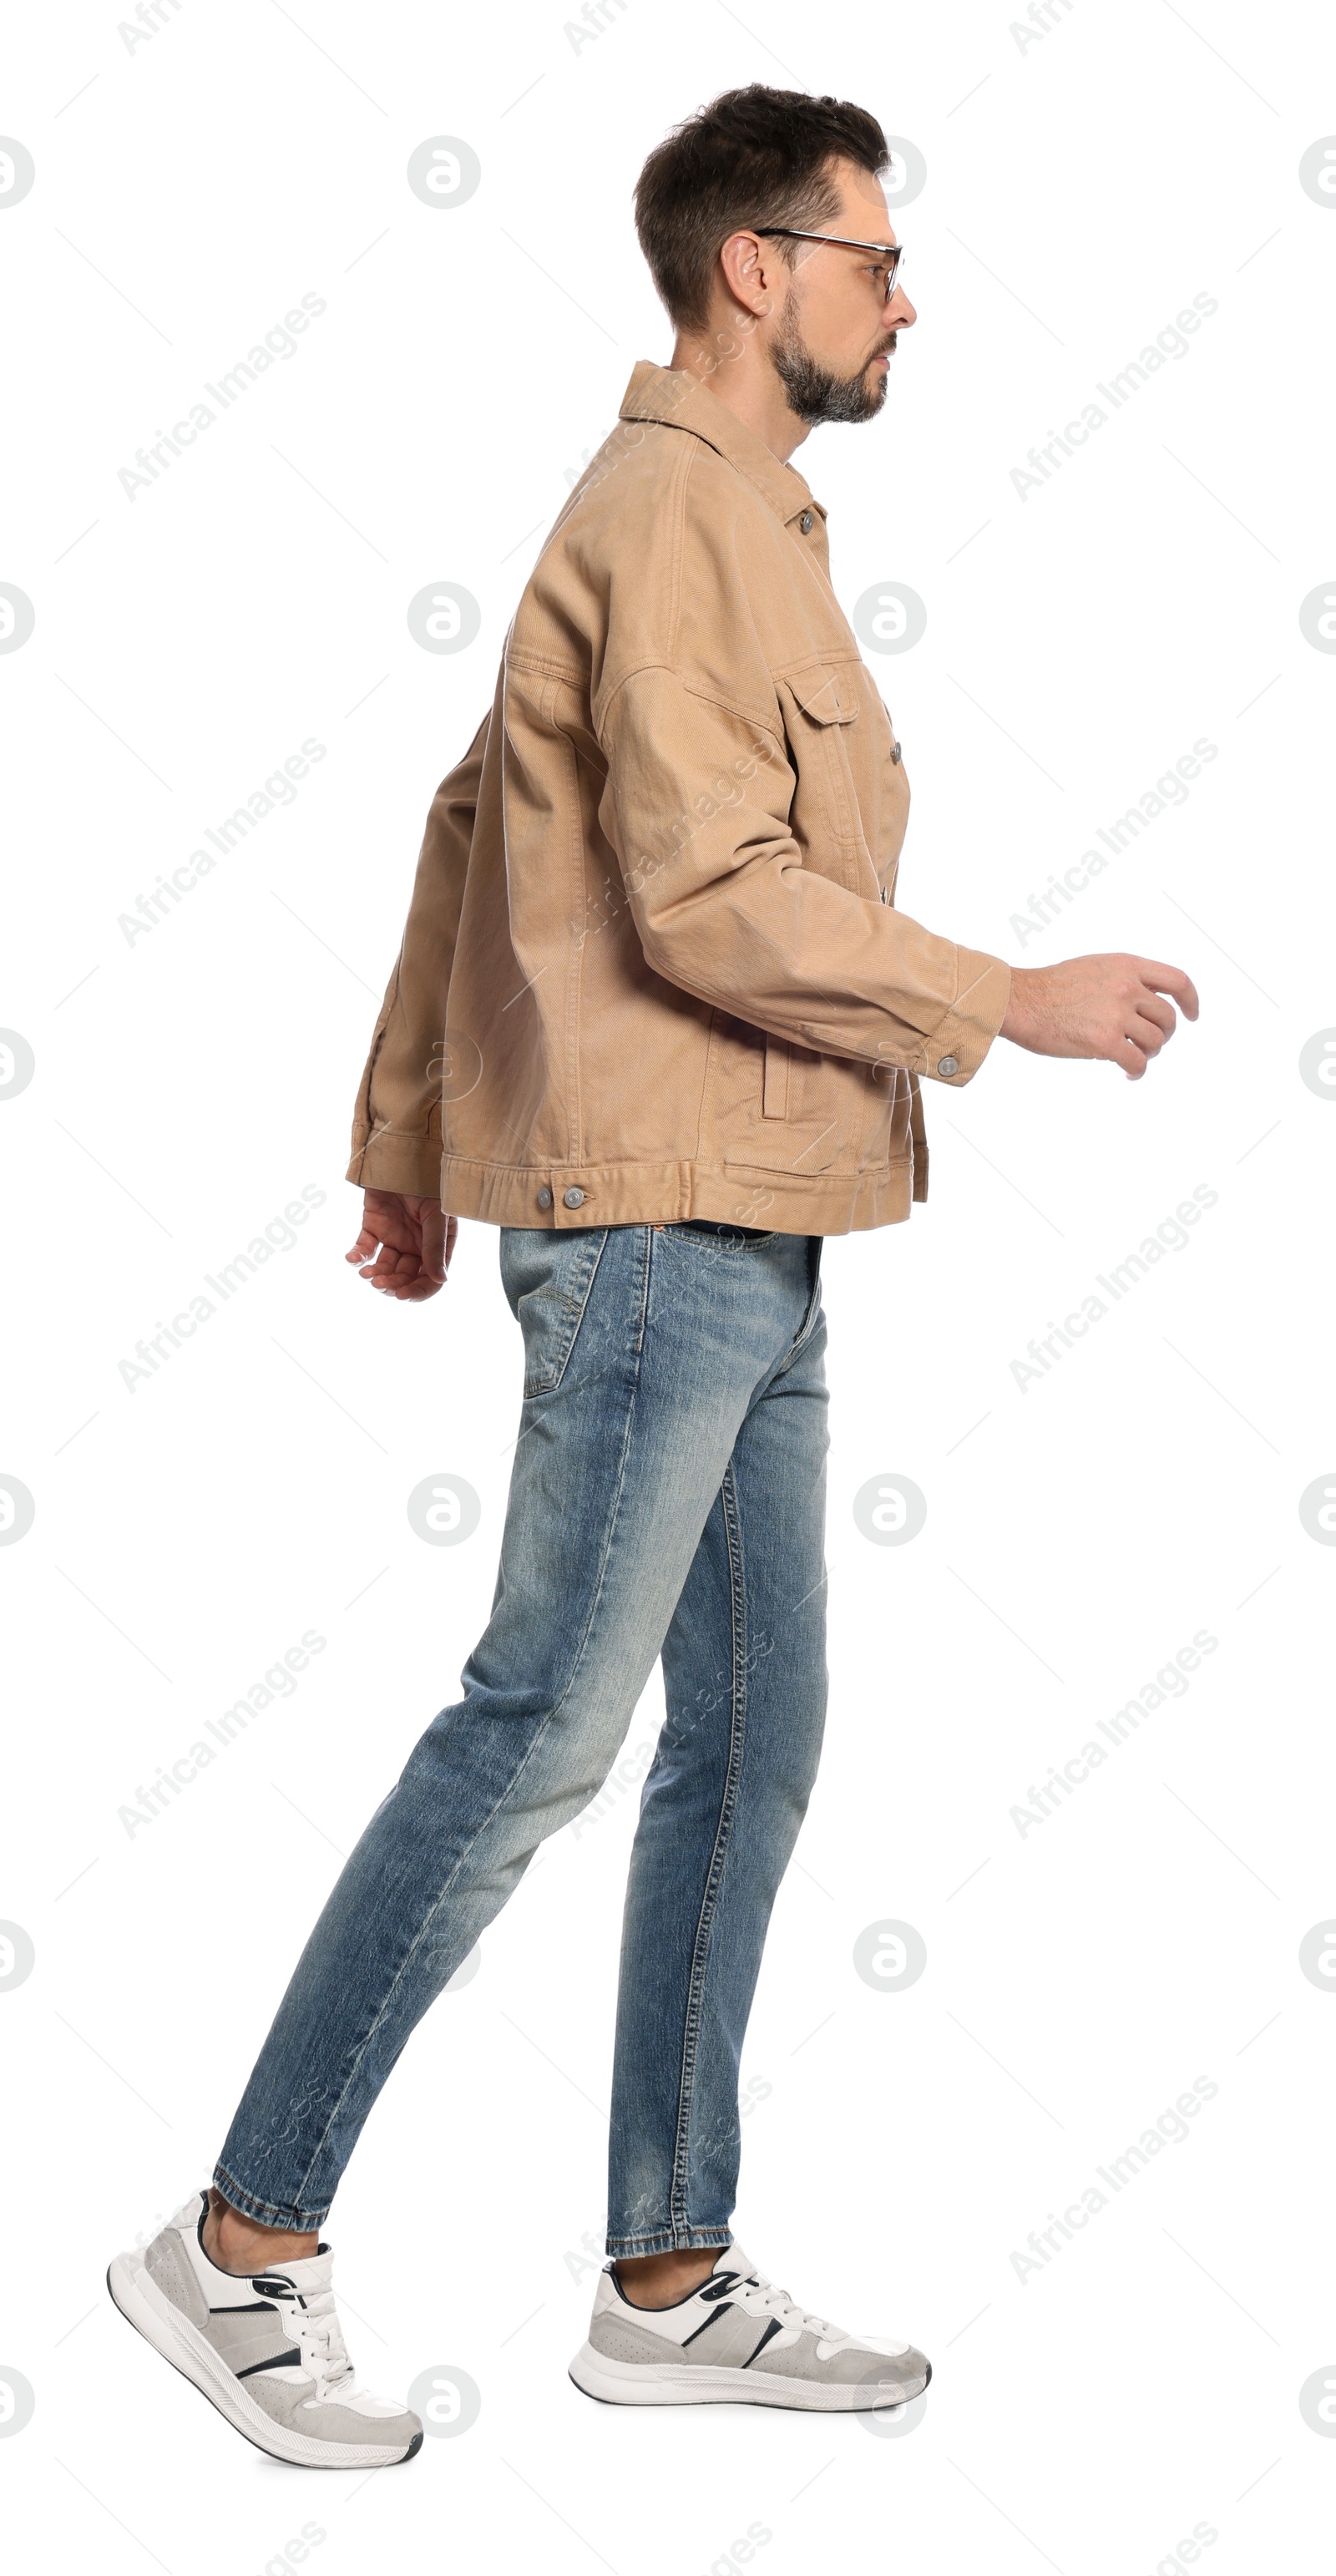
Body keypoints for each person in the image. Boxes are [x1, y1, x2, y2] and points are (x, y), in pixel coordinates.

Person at [108, 84, 1197, 2465]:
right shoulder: (682, 520)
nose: (908, 298)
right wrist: (1006, 996)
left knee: (750, 1737)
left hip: (751, 1228)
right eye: (875, 258)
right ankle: (239, 2242)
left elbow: (468, 822)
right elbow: (710, 900)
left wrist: (403, 1143)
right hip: (657, 1238)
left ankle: (666, 2272)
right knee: (543, 1734)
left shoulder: (722, 526)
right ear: (752, 271)